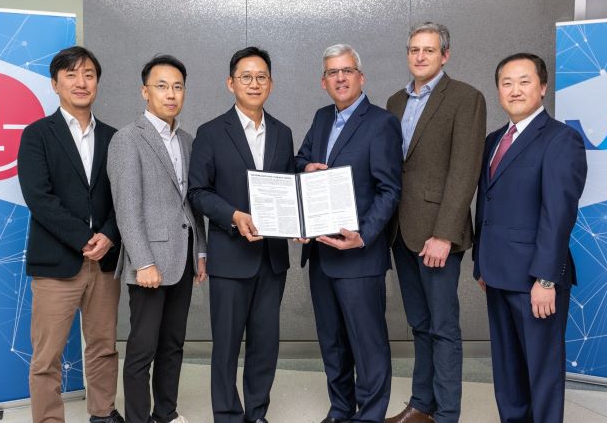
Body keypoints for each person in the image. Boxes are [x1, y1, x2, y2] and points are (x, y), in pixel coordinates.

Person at [472, 53, 587, 423]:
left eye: (524, 81)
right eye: (507, 83)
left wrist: (545, 279)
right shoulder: (493, 140)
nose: (515, 90)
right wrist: (481, 264)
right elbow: (487, 206)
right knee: (508, 374)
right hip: (497, 274)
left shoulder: (561, 139)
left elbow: (559, 215)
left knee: (542, 373)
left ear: (543, 87)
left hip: (536, 280)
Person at [295, 44, 403, 423]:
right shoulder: (322, 117)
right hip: (322, 256)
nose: (339, 78)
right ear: (323, 81)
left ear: (361, 77)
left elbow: (390, 189)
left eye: (346, 70)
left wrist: (364, 235)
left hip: (359, 255)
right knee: (333, 343)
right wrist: (305, 167)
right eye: (332, 72)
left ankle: (369, 416)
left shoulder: (382, 122)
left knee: (368, 344)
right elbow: (299, 159)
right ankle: (341, 410)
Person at [17, 45, 124, 423]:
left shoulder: (115, 137)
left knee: (103, 347)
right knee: (47, 356)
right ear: (55, 84)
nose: (82, 82)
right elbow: (38, 197)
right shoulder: (37, 135)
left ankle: (103, 412)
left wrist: (109, 235)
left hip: (106, 261)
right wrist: (84, 238)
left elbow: (123, 197)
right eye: (72, 75)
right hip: (57, 262)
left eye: (89, 74)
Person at [384, 23, 485, 423]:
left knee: (443, 326)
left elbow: (465, 171)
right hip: (400, 232)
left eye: (429, 50)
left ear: (445, 55)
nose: (420, 56)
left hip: (439, 234)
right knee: (420, 324)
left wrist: (444, 234)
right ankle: (421, 404)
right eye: (414, 50)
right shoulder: (395, 101)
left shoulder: (465, 98)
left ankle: (447, 414)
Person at [188, 47, 296, 423]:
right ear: (230, 82)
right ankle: (228, 415)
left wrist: (300, 217)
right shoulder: (211, 133)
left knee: (265, 344)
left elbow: (287, 187)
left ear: (271, 83)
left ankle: (257, 413)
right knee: (227, 346)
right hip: (230, 257)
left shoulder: (283, 133)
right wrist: (233, 216)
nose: (254, 83)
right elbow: (198, 192)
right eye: (246, 76)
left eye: (261, 76)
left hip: (272, 259)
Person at [108, 54, 208, 423]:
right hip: (149, 263)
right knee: (142, 349)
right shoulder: (127, 140)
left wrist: (200, 250)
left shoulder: (186, 139)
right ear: (144, 92)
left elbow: (191, 203)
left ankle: (166, 414)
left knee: (173, 345)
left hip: (182, 258)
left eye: (178, 86)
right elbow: (127, 208)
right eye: (162, 86)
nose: (171, 94)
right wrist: (143, 261)